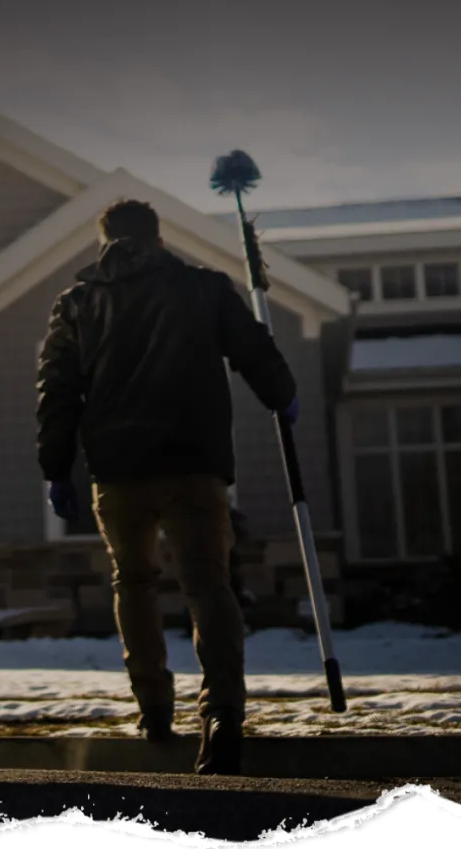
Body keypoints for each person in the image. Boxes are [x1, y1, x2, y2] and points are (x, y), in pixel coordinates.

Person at [36, 198, 298, 776]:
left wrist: (57, 467)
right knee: (209, 584)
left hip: (119, 470)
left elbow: (58, 388)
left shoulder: (78, 303)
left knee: (134, 581)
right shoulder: (203, 289)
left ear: (103, 240)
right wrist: (282, 394)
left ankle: (154, 709)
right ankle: (224, 714)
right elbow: (253, 347)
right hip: (193, 462)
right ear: (158, 237)